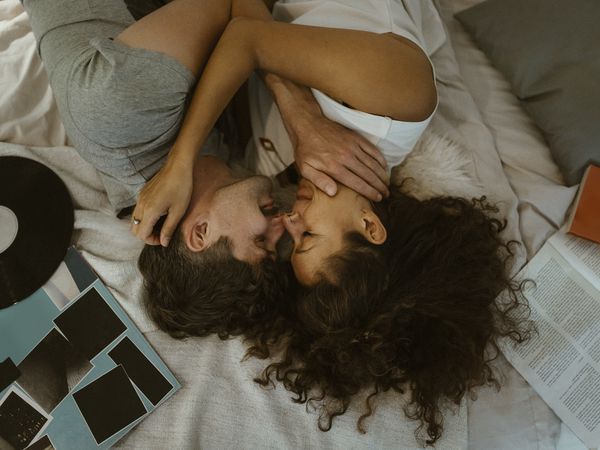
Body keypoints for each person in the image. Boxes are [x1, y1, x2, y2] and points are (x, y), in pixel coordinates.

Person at [20, 0, 390, 337]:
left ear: (199, 234)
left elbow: (234, 4)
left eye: (261, 240)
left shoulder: (123, 116)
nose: (285, 222)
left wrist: (301, 115)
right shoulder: (218, 169)